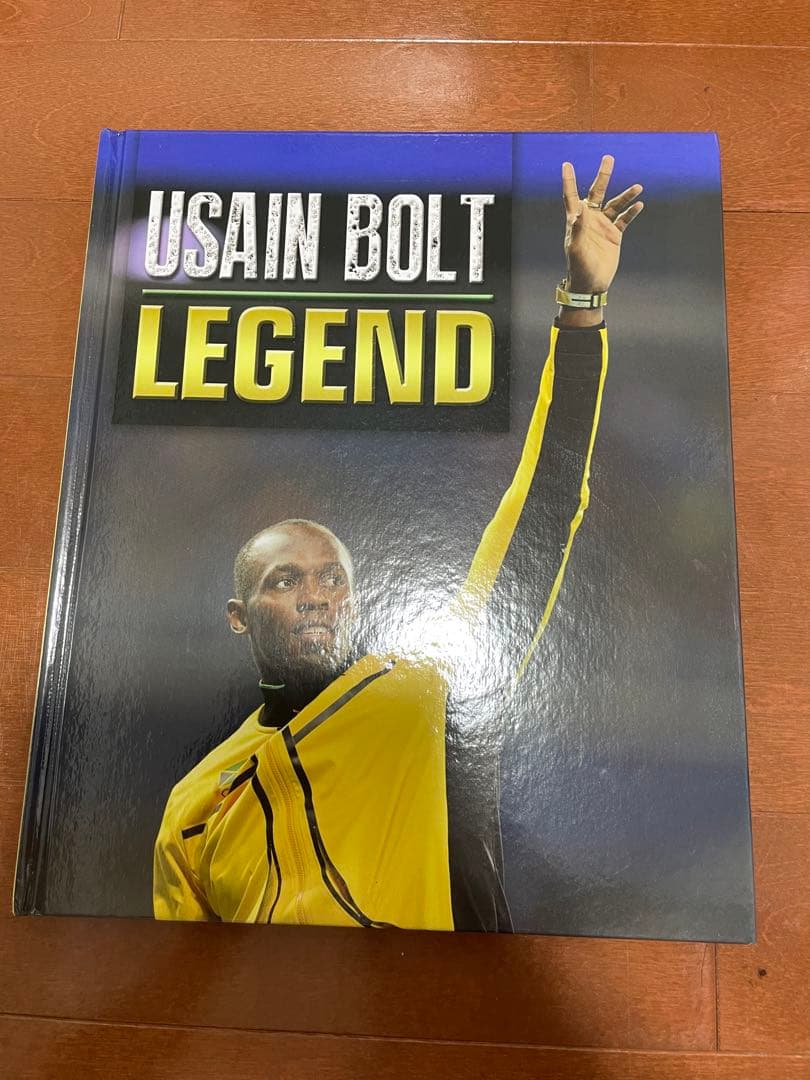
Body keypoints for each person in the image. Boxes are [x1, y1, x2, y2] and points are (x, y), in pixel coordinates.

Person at [153, 156, 644, 929]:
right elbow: (185, 979)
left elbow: (546, 502)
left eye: (331, 578)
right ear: (238, 616)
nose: (314, 596)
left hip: (450, 1003)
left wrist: (583, 306)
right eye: (283, 580)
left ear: (355, 599)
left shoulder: (426, 689)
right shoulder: (193, 805)